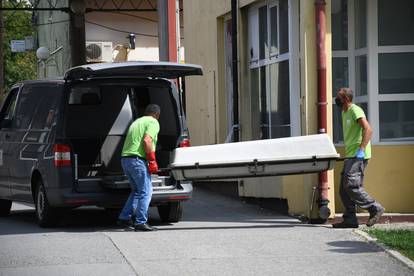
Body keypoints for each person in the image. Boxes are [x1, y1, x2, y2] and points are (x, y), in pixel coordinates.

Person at [332, 88, 384, 228]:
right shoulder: (344, 112)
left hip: (358, 155)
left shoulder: (355, 110)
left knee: (351, 185)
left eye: (339, 97)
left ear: (346, 99)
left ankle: (374, 207)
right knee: (344, 189)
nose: (336, 99)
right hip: (351, 155)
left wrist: (361, 150)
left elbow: (368, 129)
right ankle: (350, 219)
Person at [117, 104, 161, 231]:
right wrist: (152, 160)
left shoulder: (137, 122)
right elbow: (147, 141)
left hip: (125, 159)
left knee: (136, 191)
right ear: (157, 115)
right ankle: (141, 222)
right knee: (146, 192)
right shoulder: (153, 122)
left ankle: (124, 218)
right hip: (137, 161)